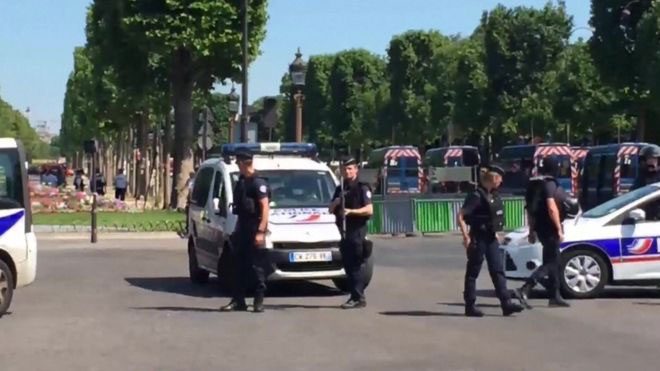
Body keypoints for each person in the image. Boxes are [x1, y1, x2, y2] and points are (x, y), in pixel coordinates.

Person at [457, 165, 524, 317]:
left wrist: (495, 233)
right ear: (493, 179)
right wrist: (466, 236)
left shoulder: (493, 194)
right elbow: (460, 216)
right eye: (499, 179)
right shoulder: (476, 196)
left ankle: (506, 304)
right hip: (478, 237)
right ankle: (470, 305)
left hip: (490, 237)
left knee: (497, 270)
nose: (501, 182)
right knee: (473, 272)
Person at [514, 157, 571, 309]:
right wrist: (559, 228)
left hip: (540, 226)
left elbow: (530, 210)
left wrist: (532, 230)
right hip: (550, 227)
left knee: (554, 261)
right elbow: (552, 208)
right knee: (551, 263)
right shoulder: (550, 184)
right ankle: (525, 288)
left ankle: (555, 296)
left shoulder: (534, 184)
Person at [221, 151, 270, 313]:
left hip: (255, 228)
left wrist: (261, 231)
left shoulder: (258, 183)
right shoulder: (242, 181)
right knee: (237, 265)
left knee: (256, 267)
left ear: (244, 163)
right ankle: (238, 300)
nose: (237, 165)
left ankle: (258, 301)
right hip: (242, 227)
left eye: (238, 162)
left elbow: (265, 208)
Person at [329, 158, 374, 309]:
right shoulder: (340, 188)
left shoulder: (362, 188)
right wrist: (335, 203)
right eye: (345, 169)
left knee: (356, 265)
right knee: (348, 265)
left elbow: (369, 210)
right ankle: (355, 297)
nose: (347, 172)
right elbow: (330, 209)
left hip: (357, 231)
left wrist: (351, 211)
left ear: (356, 170)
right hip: (343, 231)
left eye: (350, 169)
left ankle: (358, 297)